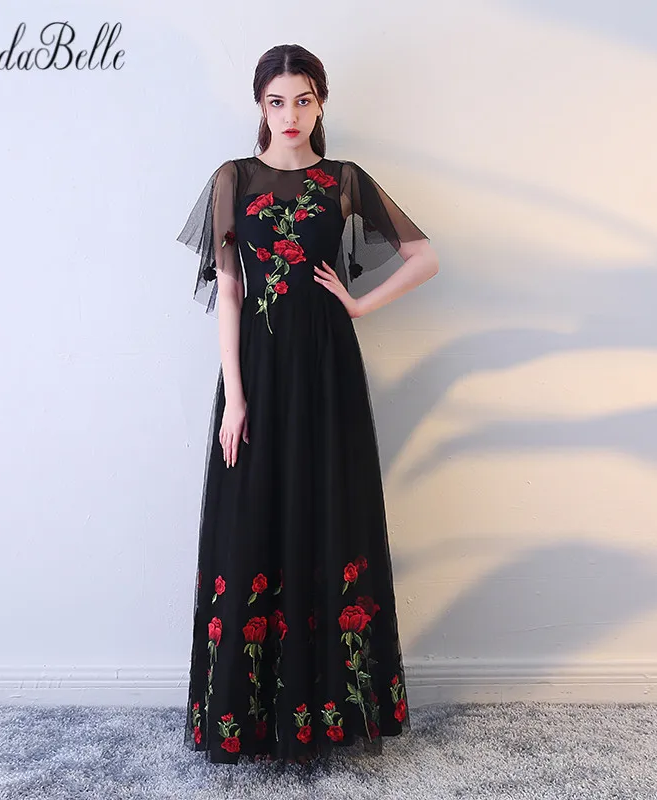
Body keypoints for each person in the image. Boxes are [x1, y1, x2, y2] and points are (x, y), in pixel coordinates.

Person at [176, 44, 439, 767]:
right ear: (259, 106)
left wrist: (359, 305)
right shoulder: (233, 179)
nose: (289, 115)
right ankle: (250, 717)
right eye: (276, 101)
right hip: (258, 375)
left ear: (320, 103)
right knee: (251, 520)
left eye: (303, 100)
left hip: (328, 374)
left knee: (331, 515)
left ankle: (329, 712)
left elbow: (424, 257)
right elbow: (230, 289)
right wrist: (234, 398)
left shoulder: (344, 180)